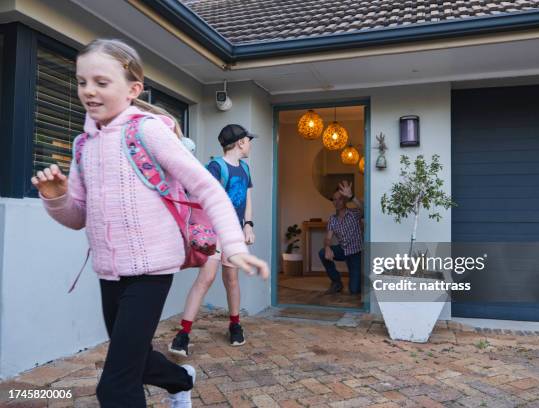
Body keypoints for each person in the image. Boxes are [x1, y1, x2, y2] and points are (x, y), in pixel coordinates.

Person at [31, 38, 269, 408]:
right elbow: (78, 217)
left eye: (101, 82)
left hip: (151, 270)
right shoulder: (82, 146)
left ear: (133, 89)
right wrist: (56, 196)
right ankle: (179, 379)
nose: (89, 91)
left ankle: (171, 381)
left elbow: (208, 189)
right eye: (81, 82)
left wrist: (235, 247)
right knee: (135, 358)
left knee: (115, 386)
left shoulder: (146, 130)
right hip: (109, 273)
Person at [170, 124, 256, 355]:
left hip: (234, 231)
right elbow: (210, 201)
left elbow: (247, 199)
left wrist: (247, 225)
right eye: (249, 140)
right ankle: (183, 334)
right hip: (215, 230)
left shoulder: (245, 168)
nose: (250, 144)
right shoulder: (216, 167)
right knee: (206, 279)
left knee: (232, 279)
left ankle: (235, 325)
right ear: (240, 142)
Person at [319, 181, 363, 295]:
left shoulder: (354, 213)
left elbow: (366, 210)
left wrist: (352, 196)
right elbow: (328, 238)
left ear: (344, 200)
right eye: (334, 199)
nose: (337, 202)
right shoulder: (332, 219)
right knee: (322, 252)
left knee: (354, 290)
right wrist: (328, 247)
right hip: (343, 250)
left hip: (355, 253)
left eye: (340, 199)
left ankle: (360, 279)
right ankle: (336, 282)